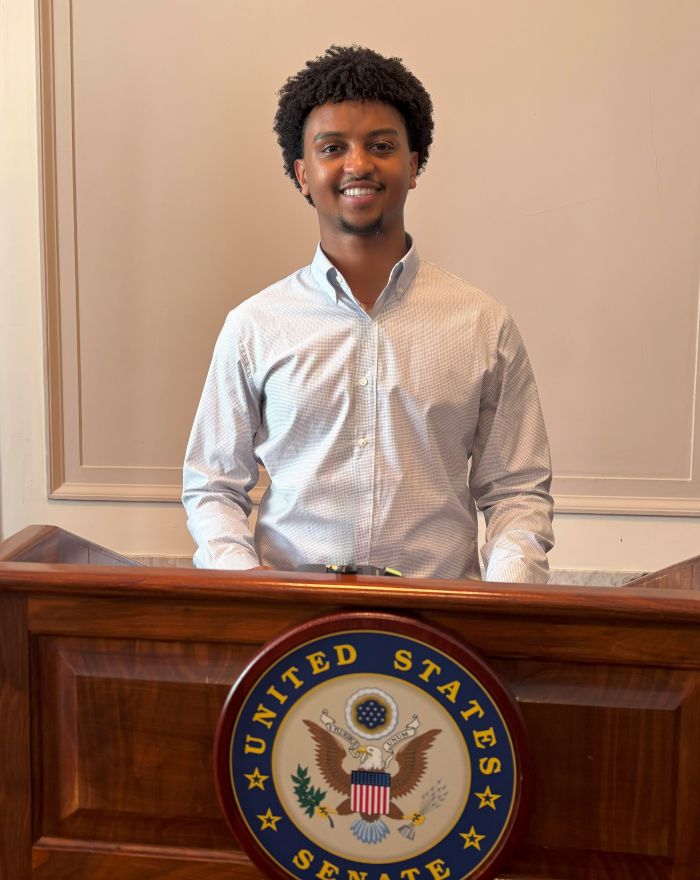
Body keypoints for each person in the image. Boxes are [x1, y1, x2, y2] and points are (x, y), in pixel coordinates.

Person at [183, 45, 554, 582]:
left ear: (413, 165)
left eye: (380, 146)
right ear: (302, 173)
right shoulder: (254, 327)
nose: (358, 164)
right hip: (293, 617)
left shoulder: (482, 325)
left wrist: (501, 606)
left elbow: (517, 491)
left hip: (441, 617)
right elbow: (212, 485)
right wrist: (249, 589)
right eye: (332, 148)